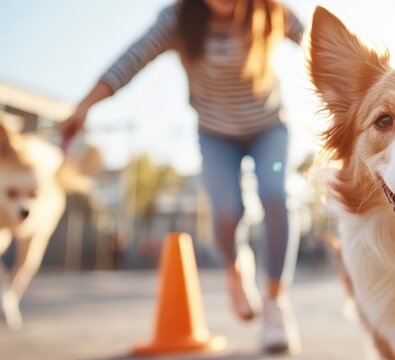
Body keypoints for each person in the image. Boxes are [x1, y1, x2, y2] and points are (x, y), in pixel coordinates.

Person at [60, 0, 304, 354]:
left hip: (269, 128)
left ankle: (275, 303)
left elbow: (321, 47)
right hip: (216, 134)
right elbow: (129, 61)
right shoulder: (176, 19)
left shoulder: (271, 10)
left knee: (274, 192)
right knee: (226, 212)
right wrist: (85, 105)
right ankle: (236, 271)